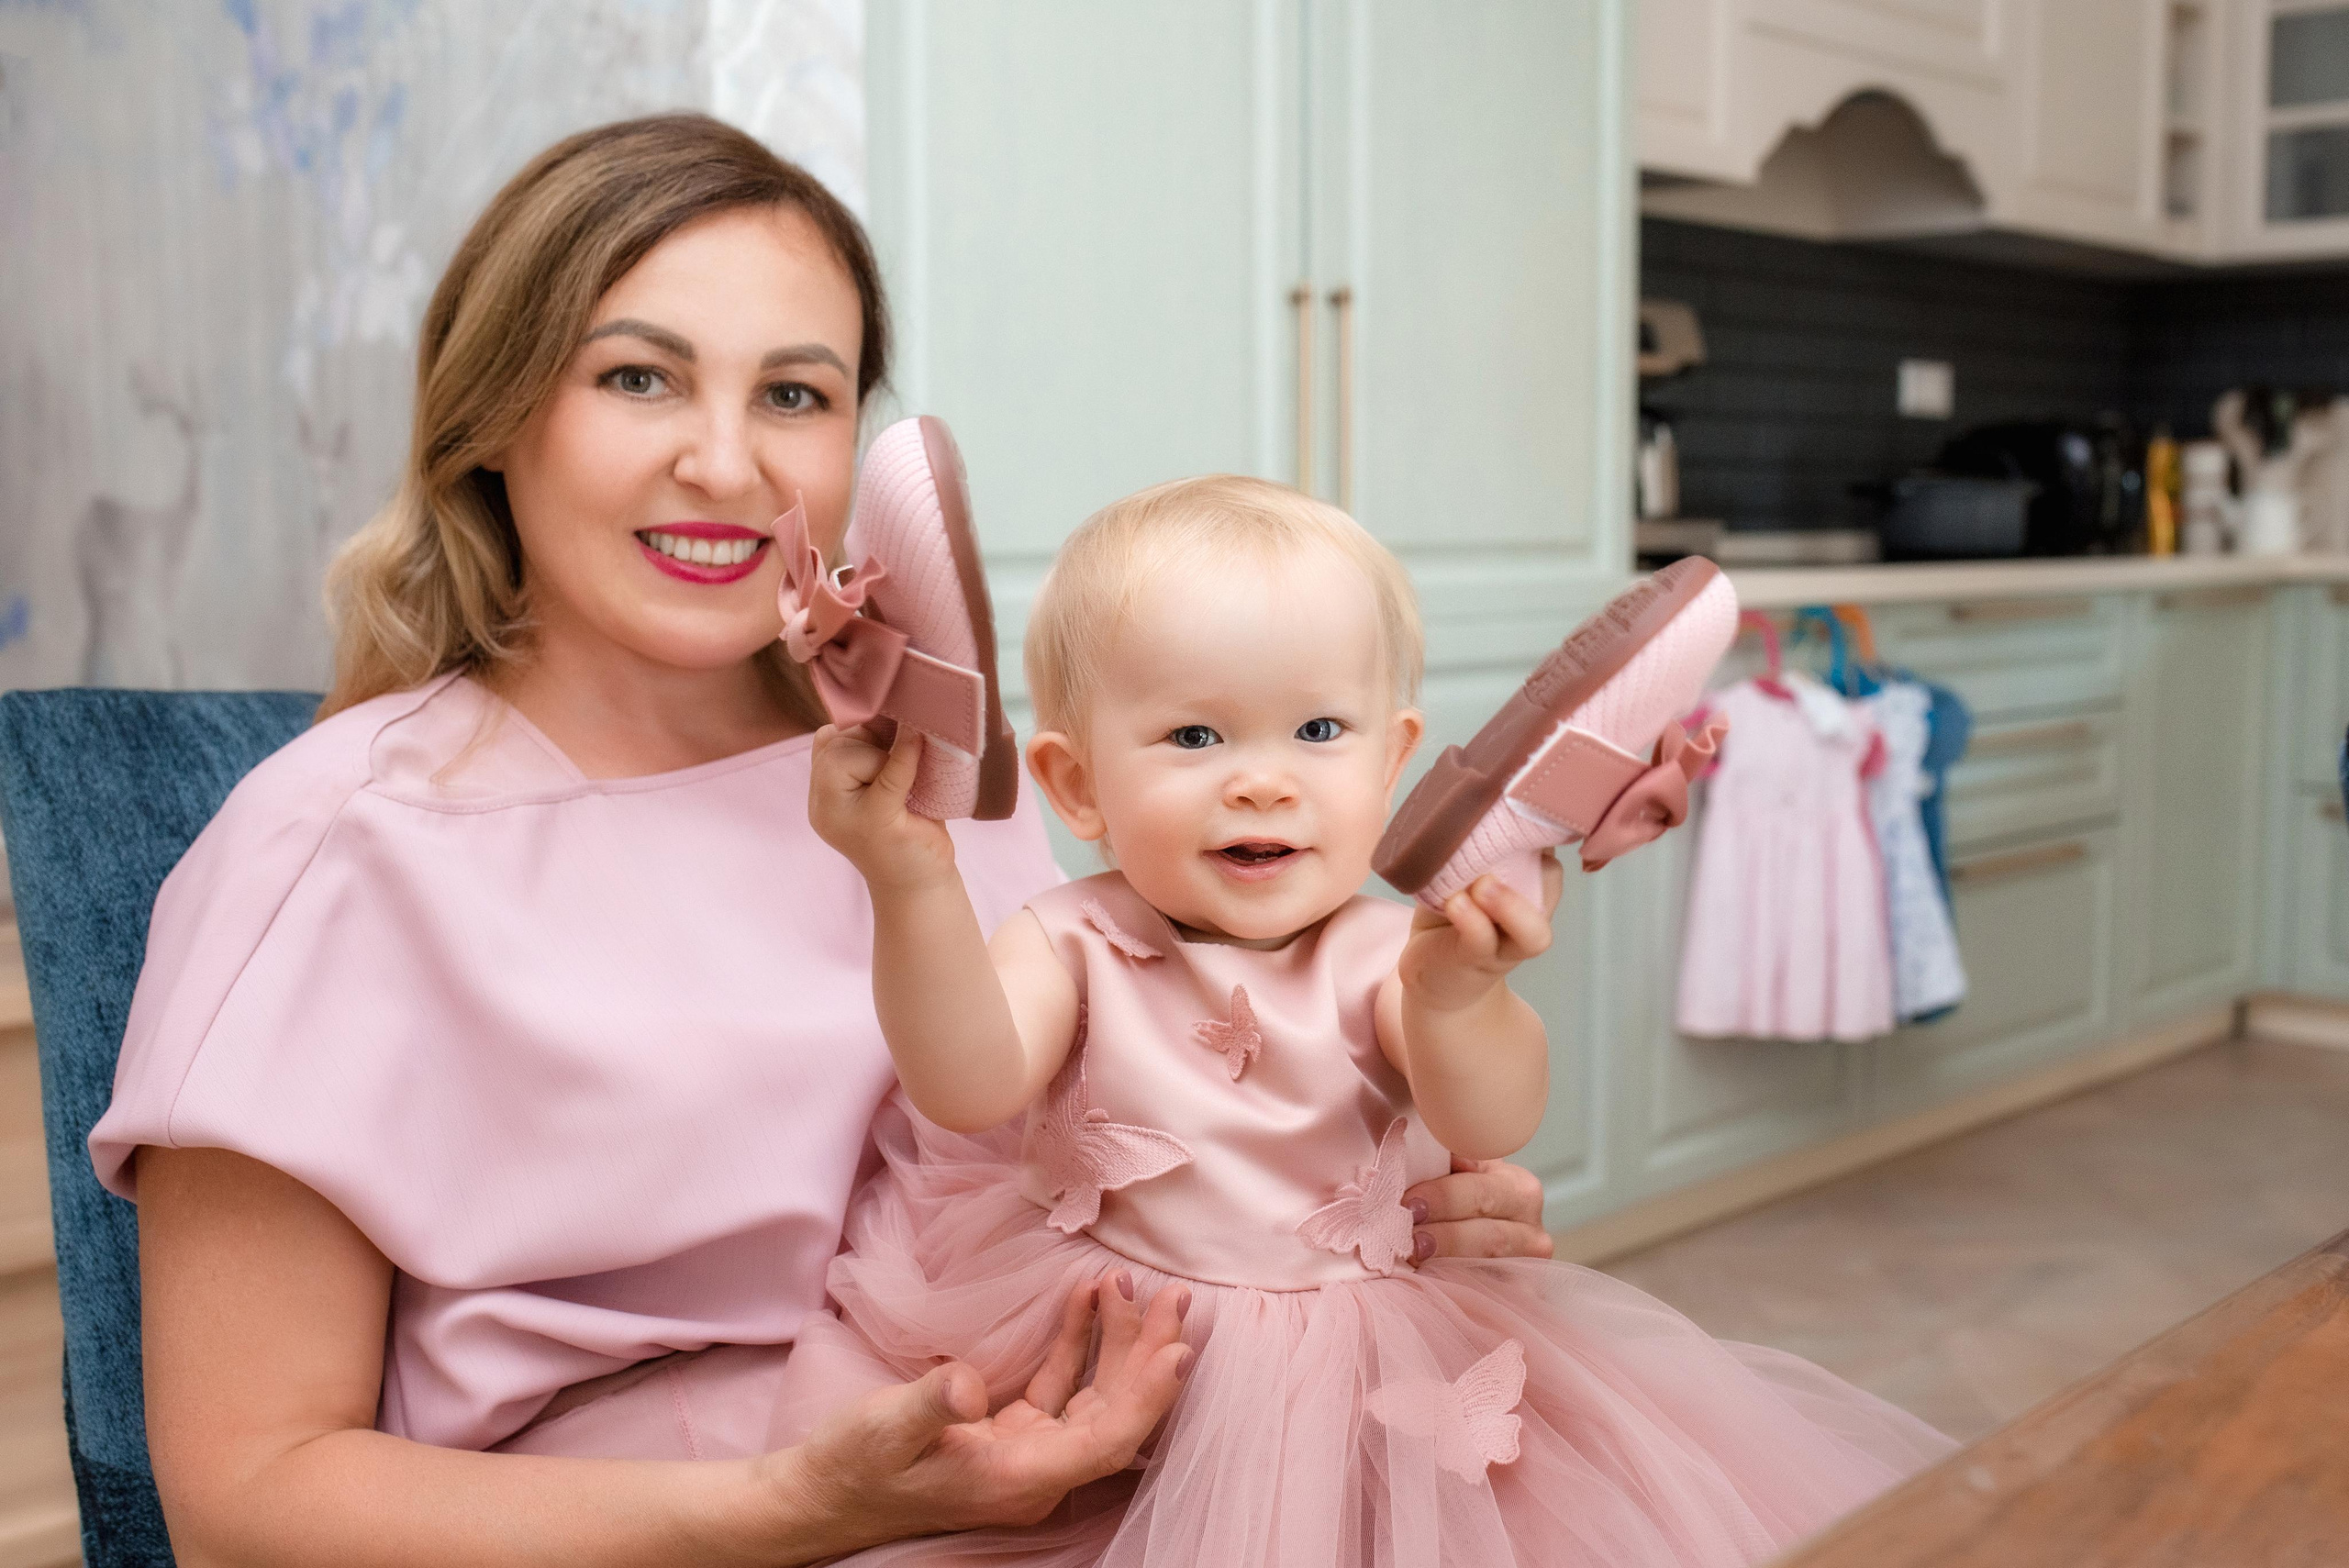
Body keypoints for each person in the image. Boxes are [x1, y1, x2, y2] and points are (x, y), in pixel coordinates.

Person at [83, 115, 1558, 1566]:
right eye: (640, 377)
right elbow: (247, 1497)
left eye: (794, 395)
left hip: (1041, 1469)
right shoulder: (333, 851)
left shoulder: (932, 784)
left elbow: (1112, 1118)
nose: (727, 465)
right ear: (494, 413)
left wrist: (1355, 1192)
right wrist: (796, 1506)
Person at [789, 477, 1956, 1565]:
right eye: (1196, 737)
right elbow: (968, 1081)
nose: (1264, 780)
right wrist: (913, 880)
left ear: (1396, 760)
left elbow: (1491, 1111)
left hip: (1341, 1359)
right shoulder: (1071, 936)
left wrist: (1458, 995)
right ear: (1076, 781)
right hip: (1096, 1324)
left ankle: (1513, 812)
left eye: (1318, 732)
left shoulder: (1385, 950)